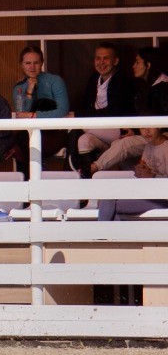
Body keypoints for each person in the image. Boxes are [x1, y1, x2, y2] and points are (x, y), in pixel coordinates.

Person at [85, 47, 168, 178]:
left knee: (124, 144)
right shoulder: (143, 86)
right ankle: (134, 178)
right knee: (117, 144)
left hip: (160, 137)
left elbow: (159, 119)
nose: (133, 66)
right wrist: (134, 130)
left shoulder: (164, 88)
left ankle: (90, 170)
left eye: (137, 62)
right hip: (146, 134)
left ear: (148, 65)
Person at [67, 41, 136, 172]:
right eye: (98, 58)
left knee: (78, 124)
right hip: (98, 131)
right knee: (84, 140)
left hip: (118, 130)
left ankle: (71, 167)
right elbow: (87, 107)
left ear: (115, 61)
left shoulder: (122, 80)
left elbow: (114, 112)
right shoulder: (93, 79)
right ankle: (88, 175)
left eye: (106, 58)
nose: (101, 62)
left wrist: (76, 115)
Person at [10, 45, 70, 162]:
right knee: (20, 139)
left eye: (36, 63)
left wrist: (34, 115)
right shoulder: (19, 87)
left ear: (42, 63)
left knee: (25, 143)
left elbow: (63, 110)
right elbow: (21, 115)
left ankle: (35, 171)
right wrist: (29, 92)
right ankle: (34, 171)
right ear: (21, 64)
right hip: (28, 134)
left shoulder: (55, 81)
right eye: (28, 63)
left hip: (53, 131)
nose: (32, 67)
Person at [96, 127, 168, 221]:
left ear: (159, 126)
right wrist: (140, 172)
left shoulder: (166, 147)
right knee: (108, 200)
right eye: (143, 128)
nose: (146, 131)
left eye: (151, 126)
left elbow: (154, 178)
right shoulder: (149, 146)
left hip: (162, 200)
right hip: (149, 195)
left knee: (108, 203)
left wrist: (152, 176)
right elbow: (145, 174)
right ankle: (109, 230)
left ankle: (102, 230)